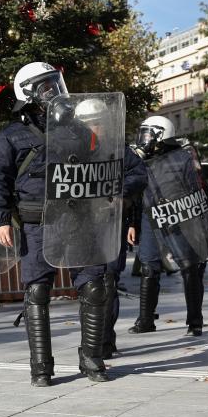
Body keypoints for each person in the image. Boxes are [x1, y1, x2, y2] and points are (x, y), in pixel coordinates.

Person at [0, 62, 141, 387]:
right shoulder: (11, 136)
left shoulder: (78, 130)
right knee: (37, 292)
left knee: (95, 286)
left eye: (55, 84)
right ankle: (41, 368)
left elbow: (111, 166)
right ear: (27, 93)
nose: (55, 92)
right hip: (37, 224)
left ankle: (92, 360)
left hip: (80, 220)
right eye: (45, 87)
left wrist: (118, 195)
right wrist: (0, 220)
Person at [73, 100, 147, 360]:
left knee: (109, 281)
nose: (96, 128)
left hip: (110, 223)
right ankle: (91, 342)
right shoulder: (67, 149)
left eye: (99, 122)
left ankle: (104, 340)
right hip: (79, 226)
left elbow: (139, 174)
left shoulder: (118, 149)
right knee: (89, 284)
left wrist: (121, 194)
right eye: (90, 123)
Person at [127, 116, 206, 337]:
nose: (143, 139)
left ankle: (195, 321)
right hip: (149, 217)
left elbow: (195, 190)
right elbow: (136, 193)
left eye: (147, 134)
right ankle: (146, 320)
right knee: (148, 267)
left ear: (162, 135)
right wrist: (133, 224)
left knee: (189, 267)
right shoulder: (141, 160)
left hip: (178, 215)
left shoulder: (182, 157)